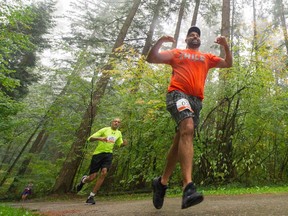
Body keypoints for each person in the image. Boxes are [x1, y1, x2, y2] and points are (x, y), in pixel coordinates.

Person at [146, 26, 232, 209]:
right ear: (186, 39)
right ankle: (188, 187)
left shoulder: (207, 58)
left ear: (199, 40)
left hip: (196, 101)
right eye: (191, 34)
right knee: (188, 128)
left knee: (182, 138)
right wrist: (160, 41)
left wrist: (226, 46)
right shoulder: (177, 53)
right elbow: (151, 58)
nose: (195, 36)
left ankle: (161, 182)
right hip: (178, 94)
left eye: (197, 35)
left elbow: (228, 63)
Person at [76, 118, 127, 205]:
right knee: (92, 177)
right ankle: (84, 180)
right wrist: (101, 138)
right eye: (115, 121)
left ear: (119, 124)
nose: (117, 123)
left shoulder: (119, 133)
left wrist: (123, 144)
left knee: (104, 173)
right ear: (112, 122)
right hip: (98, 154)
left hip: (108, 155)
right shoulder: (105, 129)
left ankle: (91, 196)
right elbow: (90, 139)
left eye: (118, 122)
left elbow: (119, 144)